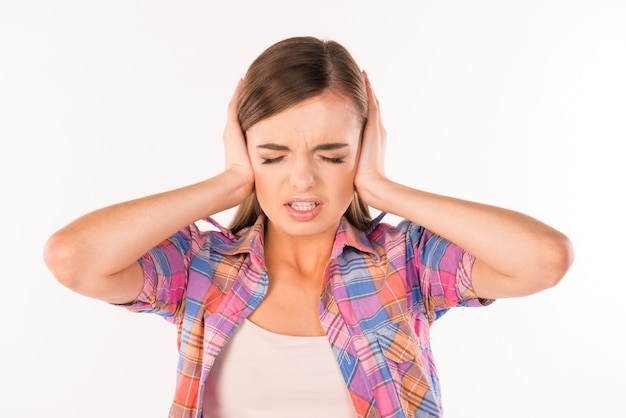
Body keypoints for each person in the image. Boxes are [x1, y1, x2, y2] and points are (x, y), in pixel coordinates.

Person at [43, 36, 574, 418]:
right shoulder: (198, 268)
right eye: (272, 156)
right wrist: (231, 182)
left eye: (331, 153)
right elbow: (72, 258)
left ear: (364, 149)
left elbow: (543, 259)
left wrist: (383, 189)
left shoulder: (405, 262)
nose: (302, 180)